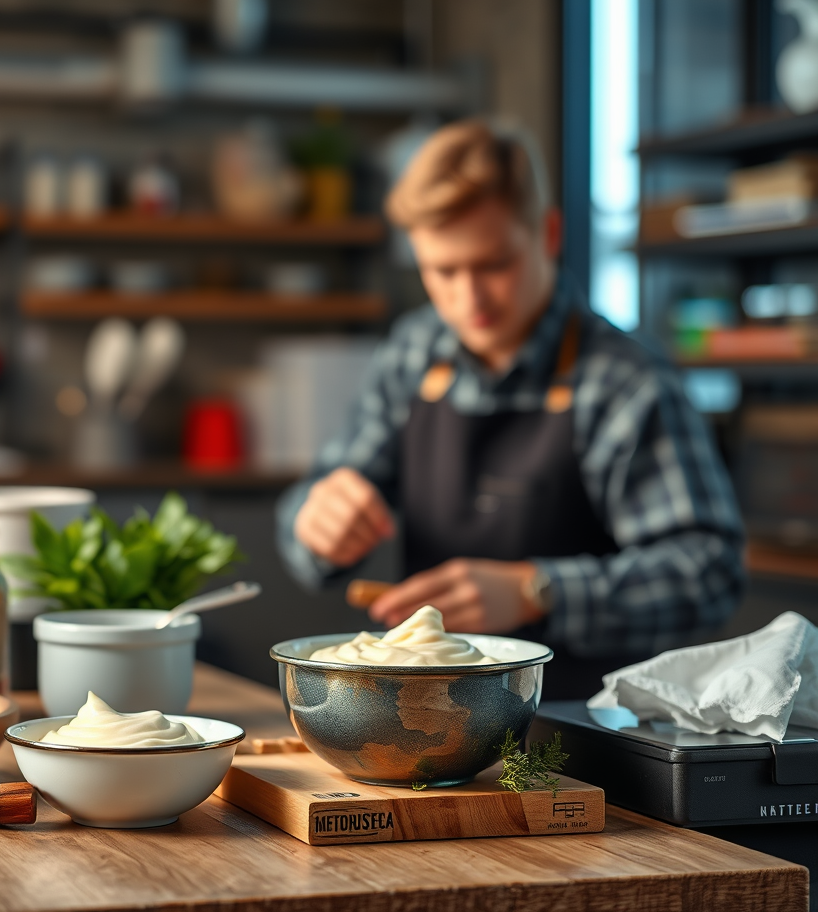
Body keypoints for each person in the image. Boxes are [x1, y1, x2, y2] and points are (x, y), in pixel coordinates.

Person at [275, 120, 745, 699]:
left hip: (587, 727)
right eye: (443, 271)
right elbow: (310, 513)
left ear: (548, 233)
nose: (468, 298)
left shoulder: (626, 382)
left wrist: (537, 590)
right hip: (423, 723)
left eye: (494, 264)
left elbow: (709, 573)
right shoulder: (412, 354)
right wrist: (317, 523)